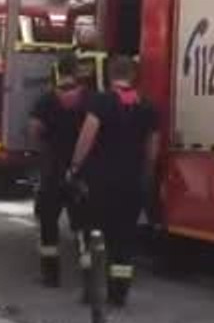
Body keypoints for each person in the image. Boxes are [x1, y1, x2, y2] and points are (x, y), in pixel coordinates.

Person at [67, 55, 159, 307]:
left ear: (110, 75)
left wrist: (75, 167)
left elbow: (87, 136)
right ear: (134, 75)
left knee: (92, 236)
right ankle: (119, 293)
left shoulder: (101, 101)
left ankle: (91, 289)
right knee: (124, 240)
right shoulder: (147, 106)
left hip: (99, 183)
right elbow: (152, 148)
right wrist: (146, 175)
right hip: (130, 184)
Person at [31, 55, 90, 287]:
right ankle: (88, 278)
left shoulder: (46, 100)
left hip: (52, 170)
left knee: (48, 223)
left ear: (59, 72)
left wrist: (44, 148)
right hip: (79, 172)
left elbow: (35, 129)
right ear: (76, 73)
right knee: (83, 226)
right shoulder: (89, 99)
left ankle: (50, 275)